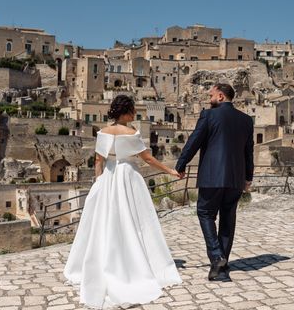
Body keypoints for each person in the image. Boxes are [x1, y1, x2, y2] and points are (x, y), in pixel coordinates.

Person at [63, 95, 182, 309]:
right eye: (133, 110)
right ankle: (135, 261)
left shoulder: (102, 133)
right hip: (127, 176)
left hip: (108, 176)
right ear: (126, 112)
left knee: (106, 220)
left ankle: (105, 260)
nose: (135, 113)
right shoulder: (132, 133)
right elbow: (147, 158)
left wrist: (99, 183)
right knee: (135, 220)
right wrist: (170, 170)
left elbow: (98, 161)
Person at [176, 83, 254, 280]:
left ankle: (217, 255)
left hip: (212, 176)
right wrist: (248, 177)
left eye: (211, 95)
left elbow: (194, 141)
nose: (208, 98)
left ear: (220, 96)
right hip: (236, 177)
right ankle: (221, 265)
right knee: (228, 218)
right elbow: (248, 152)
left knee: (205, 213)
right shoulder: (246, 120)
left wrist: (181, 164)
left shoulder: (209, 115)